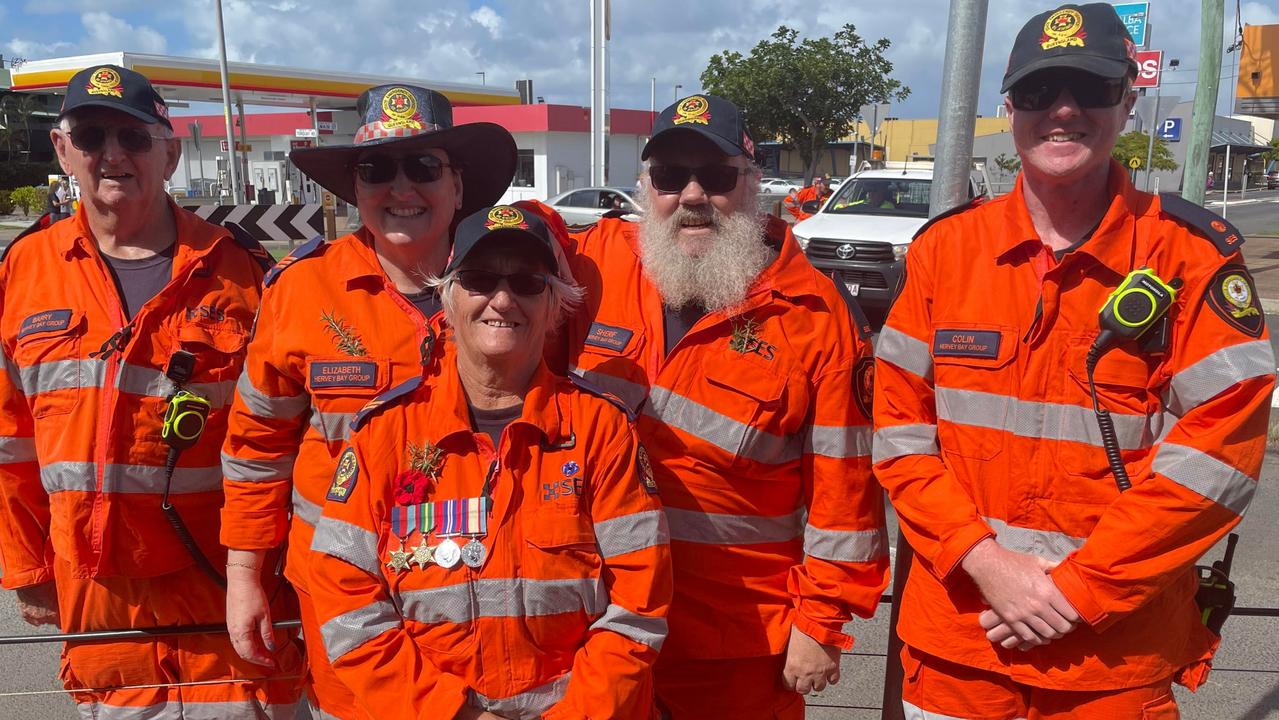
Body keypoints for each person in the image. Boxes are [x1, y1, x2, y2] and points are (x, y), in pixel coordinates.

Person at [873, 4, 1275, 718]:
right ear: (1008, 106)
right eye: (1037, 92)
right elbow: (900, 437)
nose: (1062, 111)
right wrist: (987, 563)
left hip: (1110, 659)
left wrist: (1077, 590)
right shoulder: (943, 252)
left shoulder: (1188, 256)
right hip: (960, 648)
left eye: (1088, 90)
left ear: (1126, 99)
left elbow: (1221, 454)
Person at [563, 94, 888, 718]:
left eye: (714, 177)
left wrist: (821, 624)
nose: (690, 196)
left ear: (752, 182)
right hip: (593, 628)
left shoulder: (814, 315)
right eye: (667, 177)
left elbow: (845, 495)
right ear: (644, 186)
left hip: (731, 643)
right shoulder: (595, 265)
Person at [0, 64, 304, 717]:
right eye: (91, 135)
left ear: (168, 152)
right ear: (61, 149)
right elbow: (8, 440)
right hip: (96, 591)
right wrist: (27, 568)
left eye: (134, 138)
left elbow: (290, 441)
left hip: (225, 588)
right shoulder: (22, 270)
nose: (112, 154)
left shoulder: (243, 274)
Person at [219, 84, 517, 718]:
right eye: (377, 169)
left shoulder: (516, 286)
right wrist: (245, 576)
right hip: (345, 604)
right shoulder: (301, 290)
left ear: (459, 187)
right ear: (354, 188)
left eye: (424, 167)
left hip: (488, 594)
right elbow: (256, 449)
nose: (400, 188)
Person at [307, 205, 672, 719]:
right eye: (479, 280)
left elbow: (640, 604)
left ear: (554, 306)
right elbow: (345, 600)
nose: (502, 300)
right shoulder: (384, 432)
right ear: (448, 297)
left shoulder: (602, 430)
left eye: (526, 282)